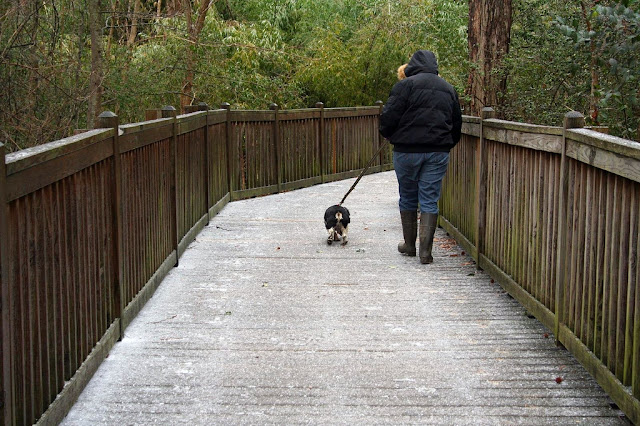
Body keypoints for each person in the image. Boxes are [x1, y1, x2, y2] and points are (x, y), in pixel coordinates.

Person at [379, 50, 462, 264]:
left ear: (412, 65)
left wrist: (390, 135)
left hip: (406, 151)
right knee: (429, 199)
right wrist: (446, 144)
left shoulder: (404, 86)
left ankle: (409, 245)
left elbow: (388, 117)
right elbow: (456, 123)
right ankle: (425, 252)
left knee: (407, 196)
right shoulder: (448, 88)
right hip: (437, 152)